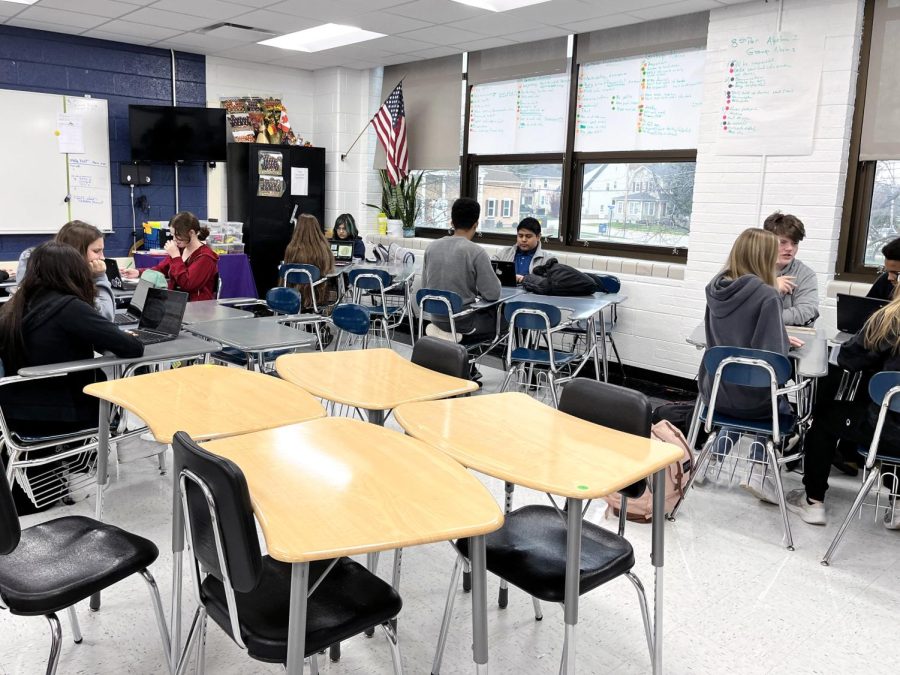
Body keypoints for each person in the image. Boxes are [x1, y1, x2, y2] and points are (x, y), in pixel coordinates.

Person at [0, 242, 144, 512]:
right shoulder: (68, 307)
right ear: (72, 272)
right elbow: (133, 348)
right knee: (110, 392)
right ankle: (87, 465)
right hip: (60, 412)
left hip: (14, 409)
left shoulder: (15, 304)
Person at [699, 228, 803, 499]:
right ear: (765, 256)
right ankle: (758, 470)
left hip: (715, 393)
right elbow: (774, 358)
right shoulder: (767, 294)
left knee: (744, 392)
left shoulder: (715, 287)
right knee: (774, 402)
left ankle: (711, 458)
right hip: (752, 401)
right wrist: (781, 337)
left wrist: (777, 331)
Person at [786, 292, 900, 527]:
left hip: (889, 429)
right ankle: (898, 505)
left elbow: (849, 358)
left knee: (826, 416)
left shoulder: (890, 319)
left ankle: (813, 501)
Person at [421, 197, 501, 342]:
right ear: (475, 224)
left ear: (452, 222)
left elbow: (425, 287)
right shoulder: (476, 252)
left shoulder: (431, 248)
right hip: (463, 323)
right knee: (506, 318)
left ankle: (464, 362)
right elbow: (493, 294)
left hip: (436, 319)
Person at [16, 220, 115, 321]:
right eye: (96, 251)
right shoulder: (65, 286)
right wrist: (100, 277)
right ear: (76, 251)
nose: (102, 257)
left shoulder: (46, 271)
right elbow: (106, 317)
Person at [122, 212, 219, 301]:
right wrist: (138, 272)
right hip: (175, 302)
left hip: (196, 307)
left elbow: (187, 284)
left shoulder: (205, 257)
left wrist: (176, 257)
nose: (174, 239)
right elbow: (161, 269)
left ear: (192, 233)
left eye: (178, 235)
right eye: (172, 235)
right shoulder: (180, 250)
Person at [762, 211, 819, 326]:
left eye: (794, 243)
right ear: (767, 241)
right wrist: (772, 288)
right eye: (783, 242)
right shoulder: (749, 266)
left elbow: (807, 312)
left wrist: (762, 317)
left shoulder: (805, 274)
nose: (789, 248)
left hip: (790, 336)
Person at [283, 213, 335, 308]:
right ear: (316, 229)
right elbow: (328, 271)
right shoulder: (323, 248)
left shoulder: (291, 248)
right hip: (317, 296)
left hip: (292, 296)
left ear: (298, 229)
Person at [492, 217, 555, 282]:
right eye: (520, 236)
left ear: (538, 237)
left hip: (531, 291)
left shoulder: (548, 259)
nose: (523, 240)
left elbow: (552, 283)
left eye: (528, 236)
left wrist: (525, 279)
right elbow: (488, 269)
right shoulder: (505, 253)